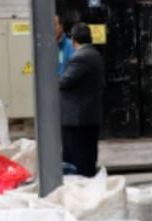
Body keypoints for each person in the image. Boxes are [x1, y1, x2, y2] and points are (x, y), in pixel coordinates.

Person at [59, 22, 104, 178]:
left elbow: (64, 82)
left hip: (77, 120)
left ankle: (80, 188)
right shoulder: (94, 54)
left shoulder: (80, 58)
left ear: (73, 40)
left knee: (77, 160)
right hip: (88, 116)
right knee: (87, 156)